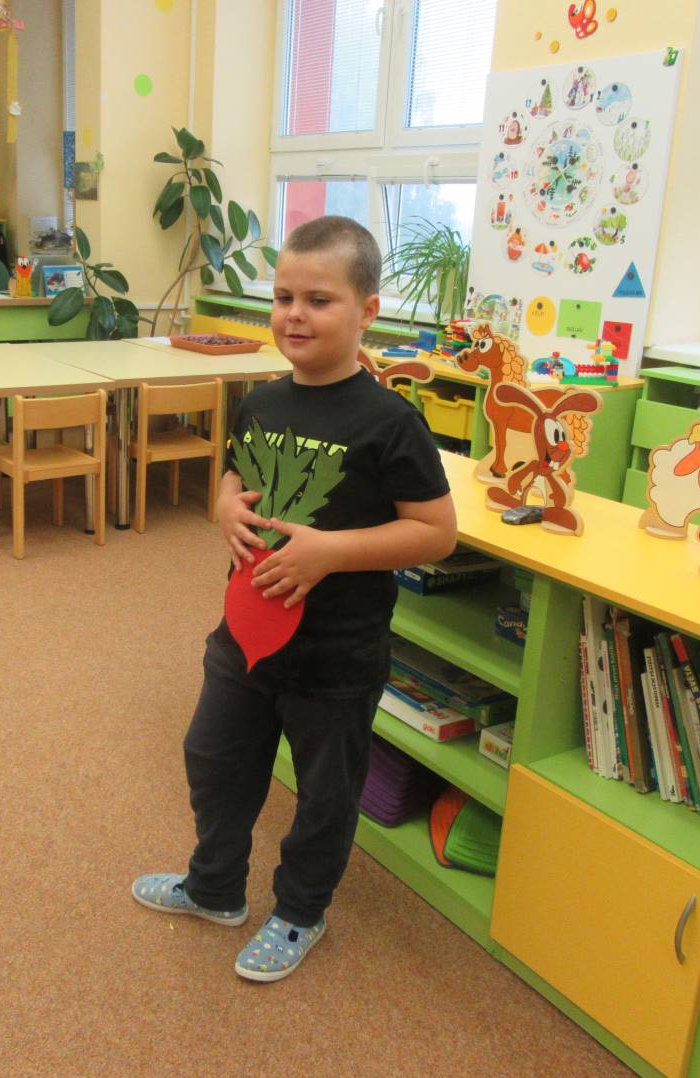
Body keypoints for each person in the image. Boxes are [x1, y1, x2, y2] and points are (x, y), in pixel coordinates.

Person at [132, 216, 459, 982]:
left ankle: (301, 912)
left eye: (319, 300)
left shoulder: (391, 422)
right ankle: (214, 887)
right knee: (213, 759)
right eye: (283, 298)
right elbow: (234, 472)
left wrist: (332, 552)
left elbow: (436, 532)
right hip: (245, 636)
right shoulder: (261, 401)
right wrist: (223, 503)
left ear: (367, 311)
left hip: (336, 655)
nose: (295, 315)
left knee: (323, 794)